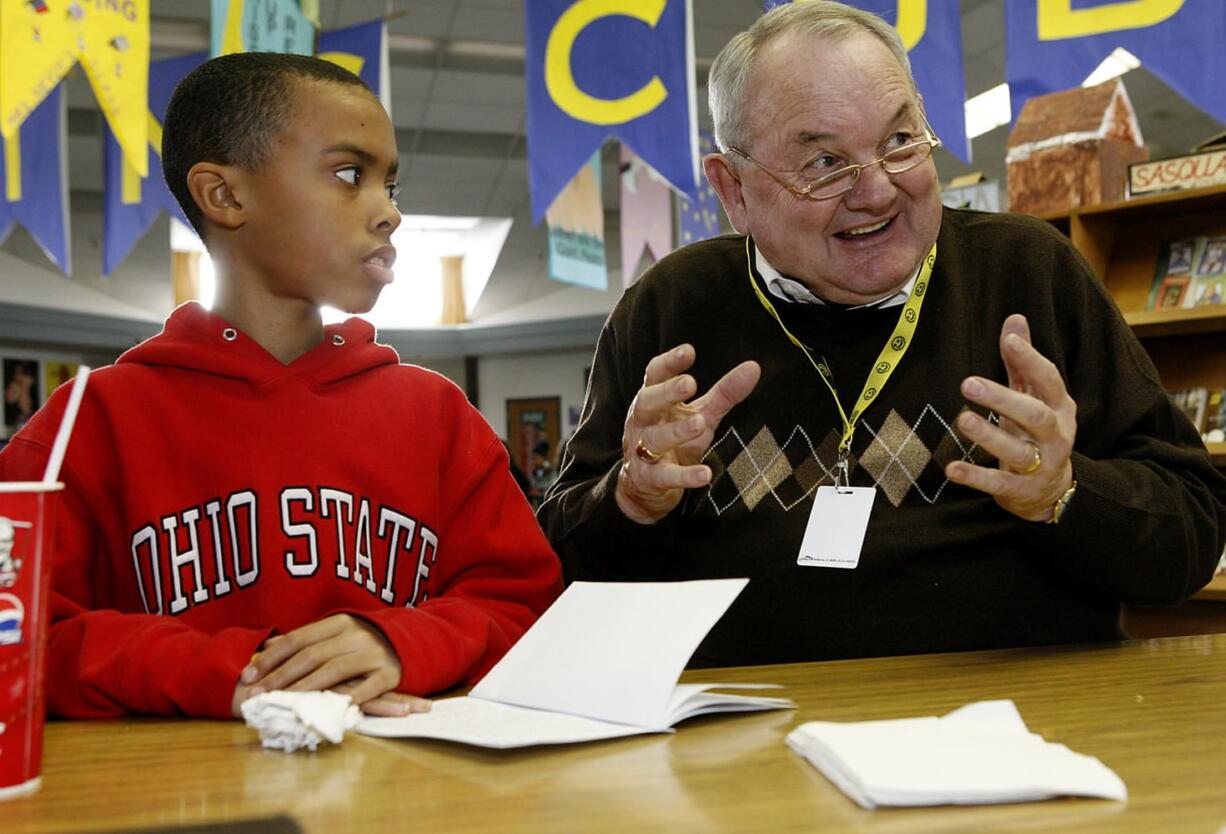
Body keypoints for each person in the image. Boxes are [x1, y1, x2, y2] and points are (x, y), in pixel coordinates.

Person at [539, 1, 1226, 668]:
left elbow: (1194, 533)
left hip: (1019, 735)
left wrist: (1065, 495)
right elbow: (555, 574)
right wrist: (631, 499)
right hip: (740, 750)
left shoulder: (1029, 274)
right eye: (824, 164)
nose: (876, 192)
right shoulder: (669, 309)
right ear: (735, 191)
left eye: (899, 143)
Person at [0, 53, 562, 719]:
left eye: (391, 185)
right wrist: (235, 672)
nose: (388, 212)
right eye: (350, 174)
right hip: (174, 802)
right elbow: (22, 633)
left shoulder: (438, 413)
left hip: (403, 796)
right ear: (225, 195)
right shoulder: (87, 421)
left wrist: (399, 642)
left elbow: (526, 604)